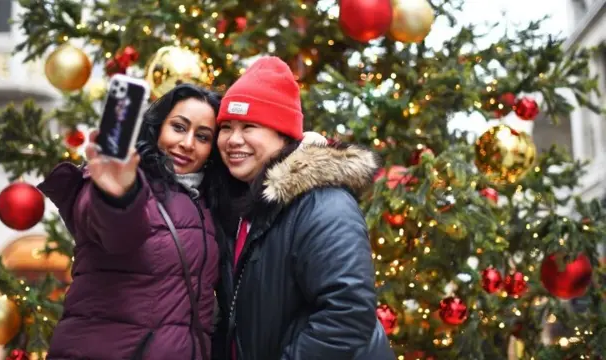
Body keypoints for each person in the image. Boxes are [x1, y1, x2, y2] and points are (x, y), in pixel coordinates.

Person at [210, 56, 395, 360]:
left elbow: (347, 314)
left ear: (283, 135)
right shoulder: (244, 203)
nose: (233, 140)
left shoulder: (324, 204)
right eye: (226, 127)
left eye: (249, 127)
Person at [37, 84, 221, 360]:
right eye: (179, 127)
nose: (188, 143)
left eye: (203, 136)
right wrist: (118, 195)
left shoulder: (207, 203)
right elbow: (116, 232)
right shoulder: (118, 179)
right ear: (158, 128)